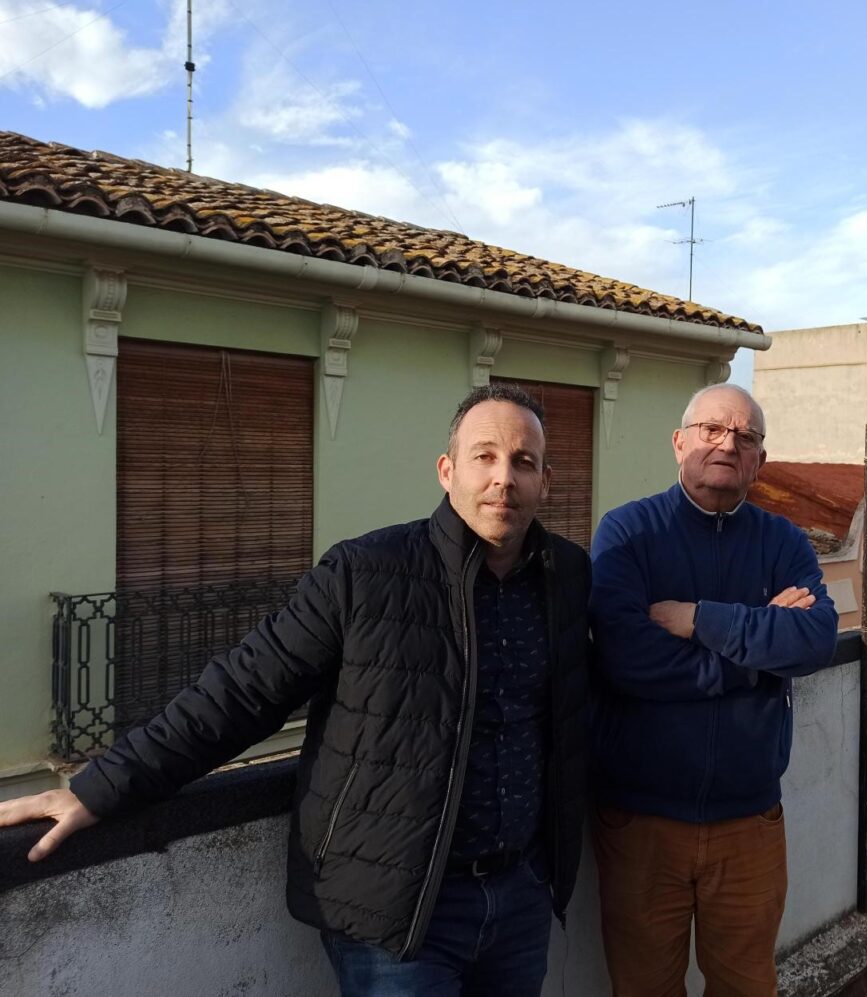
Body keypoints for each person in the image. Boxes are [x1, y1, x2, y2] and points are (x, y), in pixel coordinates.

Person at [0, 383, 591, 997]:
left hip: (520, 897)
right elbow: (240, 693)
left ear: (545, 480)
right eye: (484, 456)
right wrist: (98, 789)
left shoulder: (566, 575)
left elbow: (573, 713)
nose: (504, 478)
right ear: (447, 471)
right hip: (396, 910)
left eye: (523, 462)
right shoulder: (366, 572)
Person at [588, 383, 838, 997]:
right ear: (680, 443)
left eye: (745, 437)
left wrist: (702, 620)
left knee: (747, 985)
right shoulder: (627, 533)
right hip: (642, 822)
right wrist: (756, 659)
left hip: (749, 821)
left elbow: (814, 638)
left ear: (760, 459)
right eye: (712, 430)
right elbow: (626, 659)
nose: (728, 444)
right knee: (644, 987)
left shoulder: (782, 540)